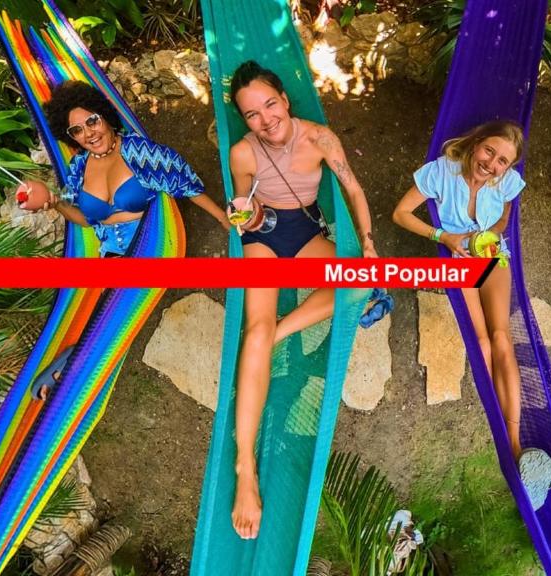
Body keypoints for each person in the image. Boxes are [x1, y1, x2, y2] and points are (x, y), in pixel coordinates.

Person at [227, 60, 378, 539]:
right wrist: (245, 218)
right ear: (245, 120)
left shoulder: (320, 138)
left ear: (285, 99)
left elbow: (353, 189)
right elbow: (245, 215)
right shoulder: (242, 154)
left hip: (307, 228)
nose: (265, 119)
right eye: (252, 114)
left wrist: (368, 244)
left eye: (269, 104)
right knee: (253, 328)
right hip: (265, 236)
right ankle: (245, 470)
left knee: (360, 281)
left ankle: (280, 331)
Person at [392, 120, 551, 509]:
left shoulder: (507, 182)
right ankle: (518, 455)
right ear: (476, 143)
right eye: (489, 152)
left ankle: (521, 451)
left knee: (501, 340)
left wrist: (487, 235)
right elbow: (401, 214)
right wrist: (444, 237)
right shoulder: (441, 170)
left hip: (492, 255)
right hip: (457, 259)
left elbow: (506, 218)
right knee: (480, 344)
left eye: (503, 161)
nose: (492, 164)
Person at [19, 80, 230, 256]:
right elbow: (87, 220)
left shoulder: (139, 151)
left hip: (151, 248)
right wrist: (57, 204)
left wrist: (222, 217)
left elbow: (185, 183)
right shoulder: (78, 168)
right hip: (111, 256)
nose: (89, 133)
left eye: (92, 121)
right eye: (77, 130)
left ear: (106, 117)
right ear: (70, 136)